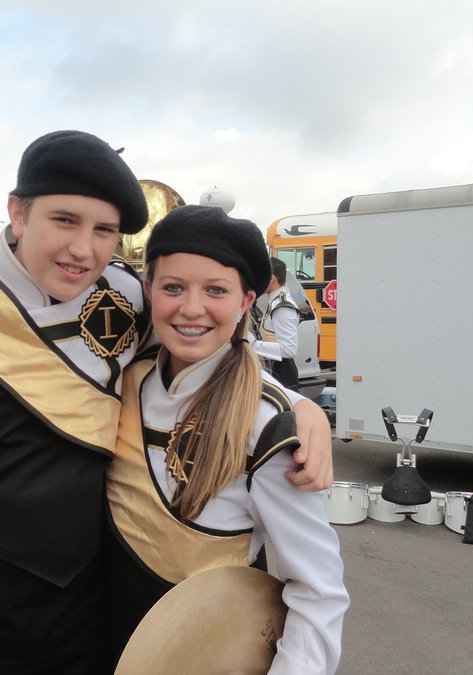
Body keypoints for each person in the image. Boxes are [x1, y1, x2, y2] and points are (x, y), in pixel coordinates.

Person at [0, 130, 334, 673]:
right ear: (17, 213)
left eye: (104, 230)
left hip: (87, 624)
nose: (83, 249)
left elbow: (206, 355)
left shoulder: (125, 295)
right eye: (64, 220)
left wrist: (301, 408)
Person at [105, 205, 348, 674]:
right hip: (107, 644)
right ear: (149, 290)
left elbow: (318, 591)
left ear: (244, 301)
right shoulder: (126, 381)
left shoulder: (266, 421)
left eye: (216, 290)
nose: (192, 308)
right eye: (173, 287)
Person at [250, 256, 301, 389]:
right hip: (274, 374)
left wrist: (253, 345)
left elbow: (289, 349)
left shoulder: (282, 306)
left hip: (281, 378)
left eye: (260, 276)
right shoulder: (274, 301)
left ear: (271, 278)